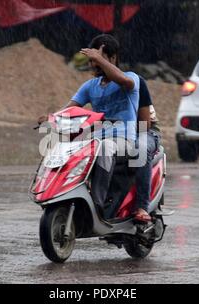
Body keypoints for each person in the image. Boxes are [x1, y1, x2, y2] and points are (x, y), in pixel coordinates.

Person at [38, 34, 140, 213]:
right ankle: (60, 195)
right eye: (92, 60)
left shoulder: (130, 78)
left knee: (105, 148)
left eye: (98, 59)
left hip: (124, 141)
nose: (93, 64)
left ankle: (97, 205)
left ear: (113, 58)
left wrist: (99, 58)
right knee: (65, 149)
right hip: (94, 140)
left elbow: (125, 82)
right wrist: (51, 118)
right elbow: (68, 110)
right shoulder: (89, 86)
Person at [133, 76, 161, 222]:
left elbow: (144, 124)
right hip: (114, 131)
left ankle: (142, 205)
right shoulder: (94, 85)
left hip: (144, 131)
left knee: (140, 148)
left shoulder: (134, 82)